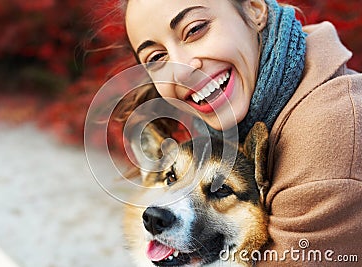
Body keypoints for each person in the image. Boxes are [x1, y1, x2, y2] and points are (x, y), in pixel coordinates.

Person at [109, 0, 362, 265]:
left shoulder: (331, 129)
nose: (181, 72)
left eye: (194, 29)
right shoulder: (244, 108)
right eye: (157, 58)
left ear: (254, 8)